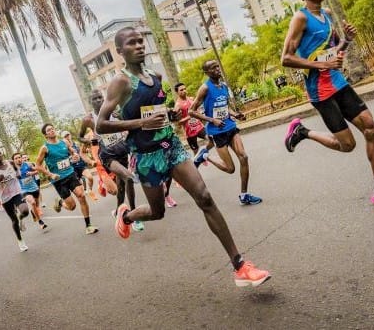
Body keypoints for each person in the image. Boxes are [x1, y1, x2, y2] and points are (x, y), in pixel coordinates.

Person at [97, 27, 271, 287]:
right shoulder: (121, 82)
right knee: (157, 212)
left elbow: (155, 111)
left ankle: (240, 266)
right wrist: (141, 124)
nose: (139, 46)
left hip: (171, 146)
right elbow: (101, 124)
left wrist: (170, 114)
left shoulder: (155, 76)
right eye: (132, 43)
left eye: (141, 41)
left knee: (205, 197)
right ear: (120, 51)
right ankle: (127, 217)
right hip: (146, 156)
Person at [281, 0, 374, 205]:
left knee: (371, 128)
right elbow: (286, 58)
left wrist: (347, 40)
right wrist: (322, 64)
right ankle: (303, 132)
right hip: (320, 91)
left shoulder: (327, 14)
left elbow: (334, 51)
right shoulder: (300, 18)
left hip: (338, 82)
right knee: (347, 145)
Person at [189, 60, 263, 206]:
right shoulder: (205, 88)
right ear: (207, 72)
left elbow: (224, 107)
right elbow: (191, 111)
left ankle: (244, 195)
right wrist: (212, 120)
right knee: (230, 169)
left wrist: (235, 115)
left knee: (244, 157)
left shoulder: (223, 86)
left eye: (217, 66)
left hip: (230, 127)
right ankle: (205, 156)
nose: (217, 69)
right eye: (213, 68)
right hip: (217, 132)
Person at [79, 89, 143, 232]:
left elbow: (128, 124)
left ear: (104, 98)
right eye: (95, 99)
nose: (98, 100)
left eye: (100, 97)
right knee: (129, 178)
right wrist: (90, 141)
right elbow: (80, 136)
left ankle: (118, 210)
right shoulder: (89, 119)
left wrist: (123, 119)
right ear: (90, 102)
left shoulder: (114, 113)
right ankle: (134, 216)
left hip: (122, 152)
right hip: (107, 156)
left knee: (121, 186)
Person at [35, 124, 98, 235]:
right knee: (72, 206)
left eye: (52, 128)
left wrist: (75, 155)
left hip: (70, 174)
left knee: (81, 196)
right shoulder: (45, 148)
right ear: (45, 135)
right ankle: (60, 202)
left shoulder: (64, 142)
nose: (52, 130)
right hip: (58, 180)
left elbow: (73, 152)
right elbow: (38, 166)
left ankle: (88, 226)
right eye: (49, 130)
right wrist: (50, 174)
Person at [0, 148, 30, 252]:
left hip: (16, 192)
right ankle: (20, 240)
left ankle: (21, 217)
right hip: (5, 197)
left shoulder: (10, 162)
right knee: (14, 220)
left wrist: (18, 174)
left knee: (25, 211)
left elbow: (17, 170)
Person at [12, 152, 47, 231]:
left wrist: (32, 173)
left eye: (19, 157)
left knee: (36, 206)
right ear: (13, 161)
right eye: (16, 158)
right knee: (33, 202)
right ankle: (40, 222)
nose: (18, 159)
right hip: (24, 190)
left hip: (34, 188)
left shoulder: (28, 164)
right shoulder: (13, 170)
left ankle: (33, 211)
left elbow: (38, 171)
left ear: (21, 158)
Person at [173, 82, 210, 156]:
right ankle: (199, 159)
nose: (184, 91)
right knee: (196, 152)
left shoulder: (191, 99)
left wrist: (199, 115)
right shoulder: (177, 106)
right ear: (177, 92)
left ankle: (203, 154)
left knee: (211, 139)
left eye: (185, 89)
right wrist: (190, 116)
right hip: (190, 132)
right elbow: (178, 122)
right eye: (181, 90)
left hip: (199, 127)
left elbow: (197, 110)